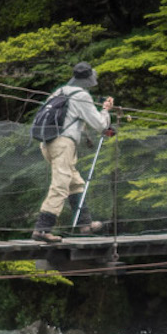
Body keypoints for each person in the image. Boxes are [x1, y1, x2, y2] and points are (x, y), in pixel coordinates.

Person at [31, 62, 114, 243]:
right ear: (89, 79)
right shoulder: (82, 96)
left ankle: (85, 223)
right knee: (60, 185)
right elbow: (100, 124)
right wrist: (106, 111)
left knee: (74, 183)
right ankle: (42, 229)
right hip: (63, 144)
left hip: (47, 143)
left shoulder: (60, 91)